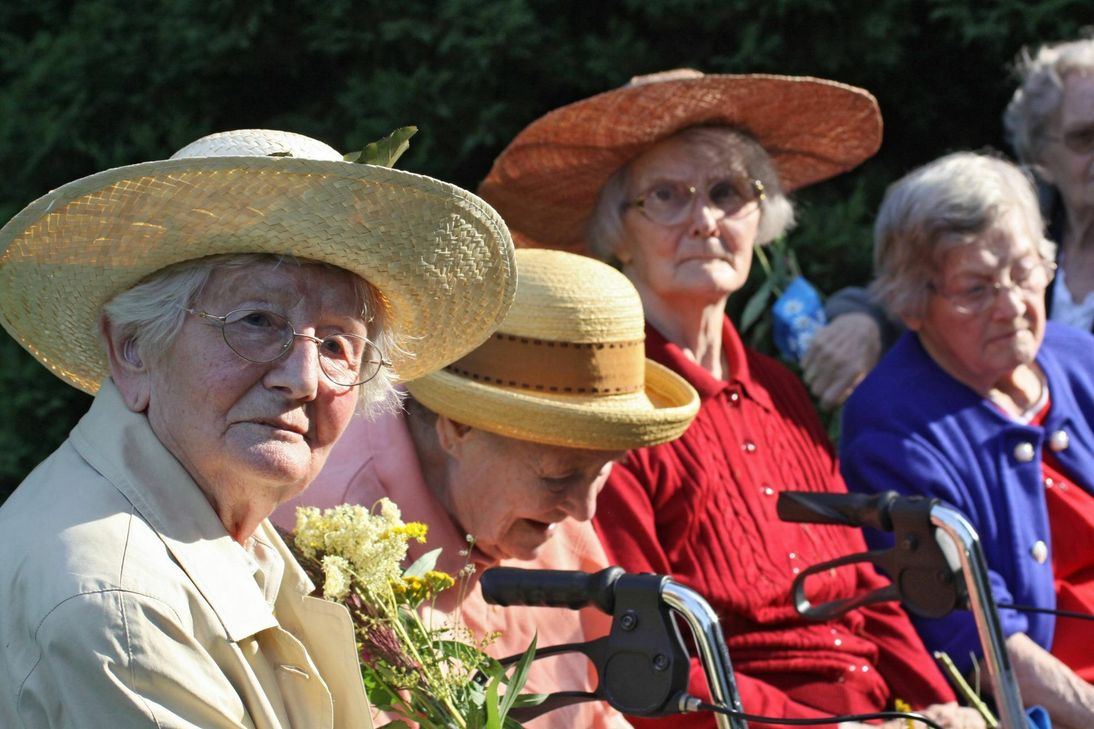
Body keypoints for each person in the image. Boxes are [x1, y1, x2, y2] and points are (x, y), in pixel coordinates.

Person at [479, 70, 983, 729]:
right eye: (667, 196)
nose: (705, 220)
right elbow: (643, 648)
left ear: (761, 217)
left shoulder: (780, 389)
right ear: (618, 233)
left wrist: (944, 707)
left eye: (727, 193)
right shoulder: (615, 407)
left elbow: (870, 589)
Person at [0, 128, 516, 728]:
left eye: (337, 344)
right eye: (257, 321)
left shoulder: (220, 532)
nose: (303, 379)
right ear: (134, 348)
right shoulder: (121, 603)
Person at [273, 247, 700, 729]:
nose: (584, 510)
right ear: (458, 427)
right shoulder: (331, 542)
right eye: (558, 476)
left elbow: (601, 713)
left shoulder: (535, 502)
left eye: (604, 470)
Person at [841, 151, 1094, 729]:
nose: (1012, 306)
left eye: (1025, 272)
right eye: (976, 289)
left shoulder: (1081, 360)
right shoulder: (894, 429)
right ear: (912, 303)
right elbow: (983, 645)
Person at [804, 35, 1094, 410]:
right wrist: (866, 321)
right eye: (1084, 137)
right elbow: (918, 289)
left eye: (1023, 275)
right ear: (1042, 150)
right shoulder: (1020, 220)